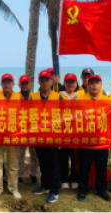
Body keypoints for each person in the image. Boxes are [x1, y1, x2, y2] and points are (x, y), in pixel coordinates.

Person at [77, 74, 111, 203]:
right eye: (91, 82)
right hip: (85, 141)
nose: (94, 85)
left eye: (96, 82)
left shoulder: (108, 101)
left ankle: (102, 190)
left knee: (101, 167)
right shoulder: (80, 100)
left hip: (101, 141)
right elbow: (72, 118)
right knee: (84, 167)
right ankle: (82, 190)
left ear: (101, 84)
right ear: (87, 84)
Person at [31, 69, 63, 203]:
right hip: (39, 136)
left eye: (47, 80)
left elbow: (65, 117)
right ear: (39, 82)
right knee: (43, 163)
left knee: (54, 164)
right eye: (42, 80)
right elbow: (29, 115)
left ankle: (54, 190)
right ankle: (45, 185)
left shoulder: (58, 96)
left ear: (52, 81)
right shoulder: (34, 97)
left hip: (54, 136)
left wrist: (61, 137)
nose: (44, 83)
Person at [0, 73, 22, 200]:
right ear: (1, 84)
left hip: (13, 135)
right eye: (5, 82)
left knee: (13, 164)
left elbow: (24, 115)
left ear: (13, 84)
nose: (7, 84)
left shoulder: (19, 97)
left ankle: (13, 188)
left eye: (9, 82)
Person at [17, 74, 40, 186]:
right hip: (20, 129)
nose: (25, 85)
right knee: (20, 155)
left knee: (34, 154)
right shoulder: (15, 96)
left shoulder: (35, 96)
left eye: (26, 83)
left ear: (29, 84)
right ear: (19, 85)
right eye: (23, 83)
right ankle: (19, 176)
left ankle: (33, 174)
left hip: (33, 129)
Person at [59, 73, 80, 191]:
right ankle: (64, 179)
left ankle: (75, 179)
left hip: (77, 131)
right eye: (68, 82)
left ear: (76, 83)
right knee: (63, 157)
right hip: (63, 131)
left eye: (73, 82)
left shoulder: (81, 95)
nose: (70, 84)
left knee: (75, 157)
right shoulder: (59, 96)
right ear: (64, 83)